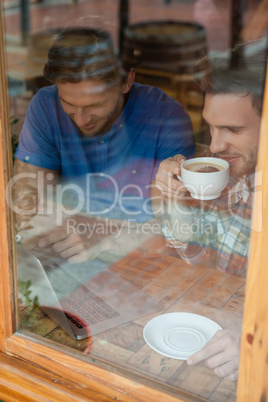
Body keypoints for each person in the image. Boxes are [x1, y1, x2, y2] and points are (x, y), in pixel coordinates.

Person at [11, 27, 195, 263]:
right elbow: (28, 198)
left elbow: (170, 229)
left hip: (140, 261)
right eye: (68, 103)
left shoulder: (167, 118)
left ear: (127, 81)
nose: (80, 119)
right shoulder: (45, 106)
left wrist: (101, 235)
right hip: (67, 254)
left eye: (94, 105)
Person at [155, 41, 267, 381]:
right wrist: (176, 202)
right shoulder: (239, 178)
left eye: (233, 130)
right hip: (212, 345)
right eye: (212, 126)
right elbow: (202, 262)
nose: (215, 145)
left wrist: (259, 341)